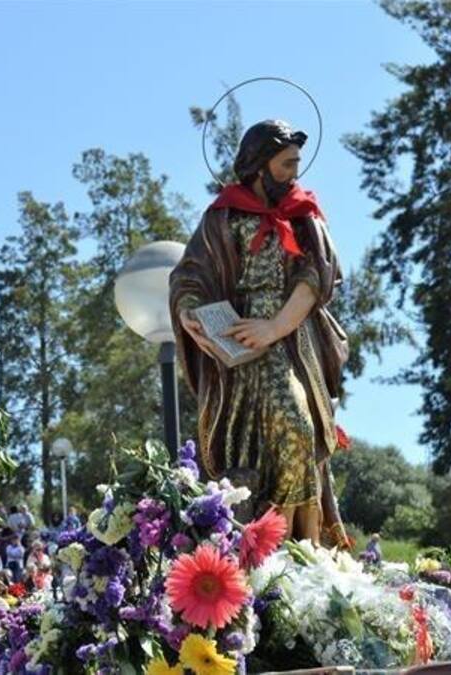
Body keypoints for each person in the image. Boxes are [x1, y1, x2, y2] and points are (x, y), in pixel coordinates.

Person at [170, 118, 350, 547]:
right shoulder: (223, 215)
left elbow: (316, 276)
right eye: (286, 164)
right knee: (250, 448)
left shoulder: (303, 213)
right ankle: (260, 543)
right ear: (259, 164)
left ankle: (301, 546)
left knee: (298, 426)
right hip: (236, 342)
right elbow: (191, 276)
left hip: (289, 339)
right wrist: (192, 314)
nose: (294, 173)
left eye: (296, 164)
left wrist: (274, 327)